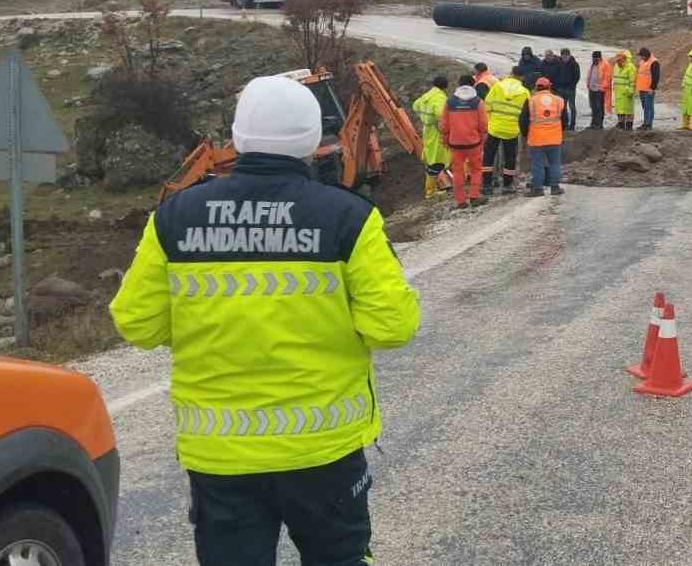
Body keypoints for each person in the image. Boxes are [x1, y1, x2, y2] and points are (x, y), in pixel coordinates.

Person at [110, 75, 420, 566]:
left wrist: (209, 323)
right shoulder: (348, 216)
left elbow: (137, 323)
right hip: (323, 450)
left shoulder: (174, 217)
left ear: (237, 137)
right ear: (315, 143)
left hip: (220, 454)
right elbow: (392, 327)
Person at [439, 75, 489, 209]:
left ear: (459, 85)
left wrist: (446, 138)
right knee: (476, 170)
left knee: (457, 171)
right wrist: (482, 137)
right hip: (474, 142)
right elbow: (483, 124)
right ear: (473, 85)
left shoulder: (450, 102)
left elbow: (444, 124)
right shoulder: (478, 102)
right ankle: (474, 196)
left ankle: (461, 201)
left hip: (455, 143)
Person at [483, 67, 531, 194]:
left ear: (511, 74)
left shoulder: (497, 86)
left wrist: (489, 121)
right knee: (510, 158)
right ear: (522, 77)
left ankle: (487, 185)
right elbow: (526, 114)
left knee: (489, 156)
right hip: (512, 130)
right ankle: (507, 185)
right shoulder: (525, 92)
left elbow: (487, 105)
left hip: (494, 127)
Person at [519, 76, 567, 196]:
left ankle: (538, 189)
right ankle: (555, 188)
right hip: (554, 138)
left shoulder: (531, 100)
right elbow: (565, 120)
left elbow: (523, 120)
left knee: (537, 164)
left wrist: (525, 134)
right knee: (554, 163)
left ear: (536, 87)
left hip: (536, 138)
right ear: (549, 86)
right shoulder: (559, 100)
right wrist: (559, 131)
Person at [411, 76, 452, 198]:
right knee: (437, 160)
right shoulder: (440, 97)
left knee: (432, 158)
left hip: (428, 130)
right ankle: (430, 192)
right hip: (437, 131)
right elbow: (441, 114)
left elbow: (415, 106)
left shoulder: (427, 95)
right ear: (445, 86)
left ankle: (431, 190)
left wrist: (424, 118)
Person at [635, 47, 660, 130]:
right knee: (645, 107)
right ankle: (646, 123)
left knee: (648, 107)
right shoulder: (642, 61)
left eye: (641, 56)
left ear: (645, 55)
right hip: (642, 88)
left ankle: (648, 124)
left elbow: (656, 77)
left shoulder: (654, 62)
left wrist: (652, 88)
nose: (640, 57)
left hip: (648, 89)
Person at [556, 48, 581, 131]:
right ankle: (564, 124)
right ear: (561, 55)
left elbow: (577, 77)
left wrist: (572, 85)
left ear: (569, 55)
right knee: (562, 107)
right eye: (563, 56)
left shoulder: (574, 64)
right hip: (561, 89)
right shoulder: (559, 63)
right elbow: (557, 74)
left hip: (570, 89)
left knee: (572, 107)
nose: (565, 57)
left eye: (566, 56)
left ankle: (572, 125)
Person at [611, 50, 637, 130]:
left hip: (626, 92)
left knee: (628, 110)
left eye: (619, 60)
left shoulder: (631, 67)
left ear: (624, 59)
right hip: (618, 91)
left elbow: (632, 81)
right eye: (617, 60)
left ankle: (629, 125)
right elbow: (615, 78)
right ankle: (621, 123)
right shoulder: (616, 66)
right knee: (619, 109)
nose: (618, 62)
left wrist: (630, 91)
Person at [586, 51, 607, 130]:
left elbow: (607, 78)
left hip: (599, 90)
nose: (594, 59)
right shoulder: (592, 65)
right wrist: (588, 85)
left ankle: (599, 124)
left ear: (600, 58)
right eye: (593, 58)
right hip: (592, 89)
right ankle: (593, 123)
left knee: (599, 107)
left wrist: (602, 87)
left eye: (596, 58)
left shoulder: (604, 65)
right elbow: (590, 75)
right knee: (593, 107)